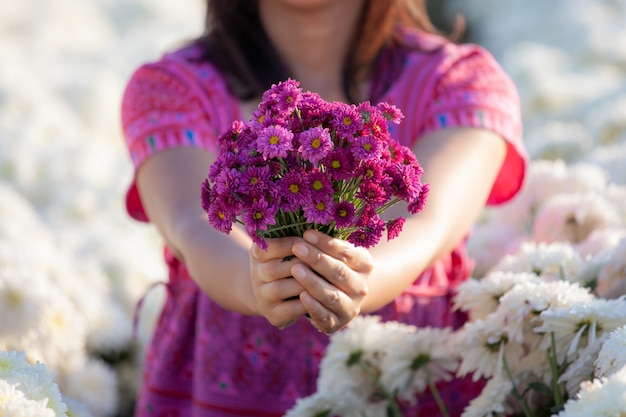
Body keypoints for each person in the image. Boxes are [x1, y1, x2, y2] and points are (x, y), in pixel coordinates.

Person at [120, 0, 528, 415]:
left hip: (407, 383)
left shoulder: (461, 82)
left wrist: (352, 279)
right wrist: (256, 283)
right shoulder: (171, 86)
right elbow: (192, 221)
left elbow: (428, 222)